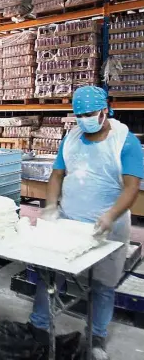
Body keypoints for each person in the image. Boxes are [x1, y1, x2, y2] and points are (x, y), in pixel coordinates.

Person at [29, 86, 143, 358]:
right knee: (51, 276)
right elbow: (57, 175)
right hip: (69, 223)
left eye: (89, 114)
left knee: (102, 286)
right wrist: (51, 205)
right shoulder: (71, 138)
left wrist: (111, 216)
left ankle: (97, 338)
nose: (83, 120)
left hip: (107, 228)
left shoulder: (125, 141)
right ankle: (39, 327)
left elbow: (131, 187)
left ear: (105, 110)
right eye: (79, 115)